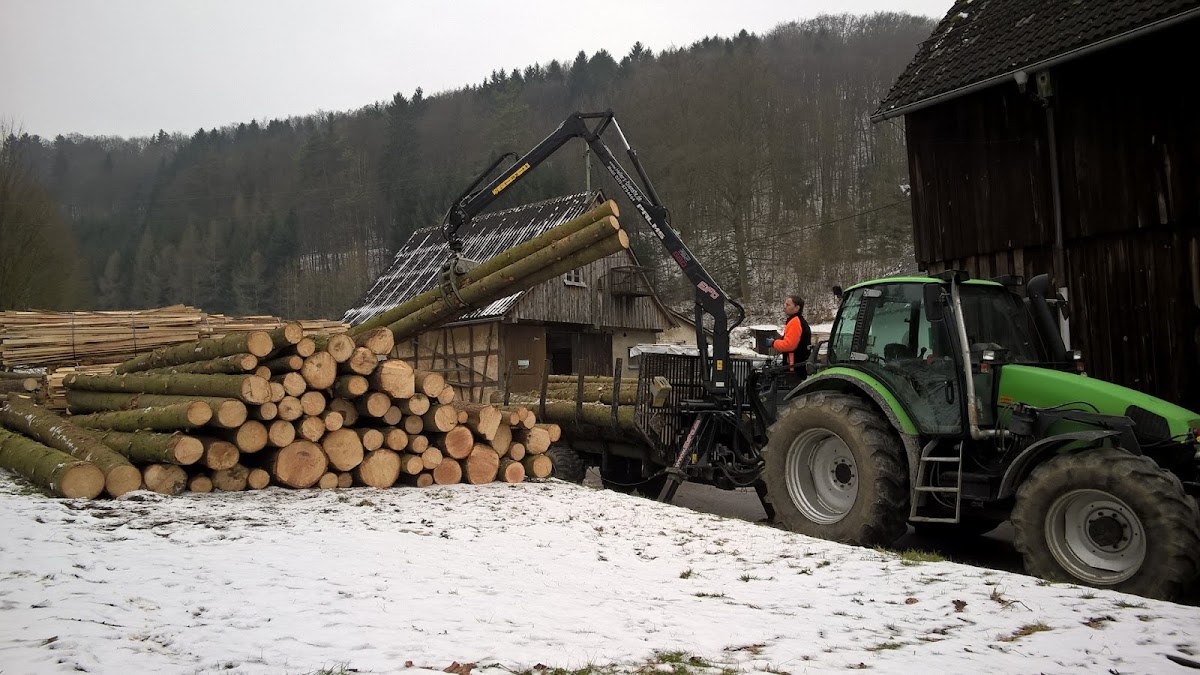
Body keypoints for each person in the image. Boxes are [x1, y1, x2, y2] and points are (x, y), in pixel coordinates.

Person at [772, 294, 812, 381]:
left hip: (794, 368)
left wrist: (773, 343)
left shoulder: (795, 322)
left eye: (788, 305)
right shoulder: (798, 321)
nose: (785, 307)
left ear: (797, 308)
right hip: (799, 366)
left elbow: (789, 345)